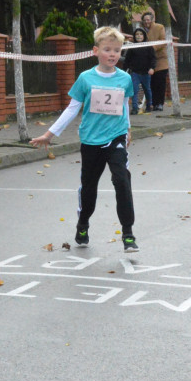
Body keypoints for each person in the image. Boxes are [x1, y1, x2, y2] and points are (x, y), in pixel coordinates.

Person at [30, 26, 139, 253]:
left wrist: (128, 129)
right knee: (89, 188)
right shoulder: (85, 78)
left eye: (117, 50)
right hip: (91, 141)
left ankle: (128, 233)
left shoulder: (124, 79)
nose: (112, 54)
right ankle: (83, 224)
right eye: (107, 49)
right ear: (95, 51)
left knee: (122, 181)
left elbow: (125, 107)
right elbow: (72, 109)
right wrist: (49, 135)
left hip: (116, 138)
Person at [123, 28, 155, 114]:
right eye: (137, 34)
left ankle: (149, 105)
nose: (139, 36)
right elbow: (127, 60)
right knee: (134, 90)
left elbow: (153, 58)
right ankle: (134, 108)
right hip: (135, 73)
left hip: (146, 73)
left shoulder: (149, 47)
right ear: (134, 36)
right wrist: (124, 70)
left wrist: (152, 68)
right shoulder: (132, 47)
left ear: (144, 36)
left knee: (147, 89)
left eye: (141, 34)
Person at [142, 12, 168, 111]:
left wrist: (152, 49)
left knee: (160, 83)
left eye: (148, 20)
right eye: (144, 20)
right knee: (151, 84)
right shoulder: (142, 29)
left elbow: (163, 41)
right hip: (148, 61)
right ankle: (152, 103)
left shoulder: (159, 27)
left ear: (152, 20)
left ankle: (160, 103)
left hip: (160, 60)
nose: (146, 22)